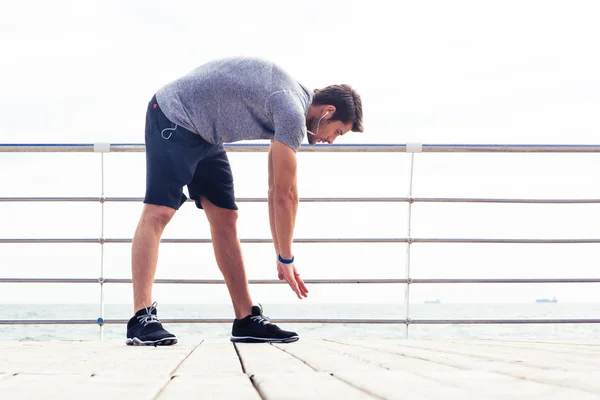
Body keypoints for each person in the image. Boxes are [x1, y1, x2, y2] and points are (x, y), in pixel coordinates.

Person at [125, 56, 364, 346]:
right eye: (337, 131)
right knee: (159, 212)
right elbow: (286, 196)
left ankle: (245, 318)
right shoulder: (291, 110)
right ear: (328, 111)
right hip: (173, 115)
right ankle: (141, 318)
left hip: (205, 133)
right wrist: (285, 258)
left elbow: (276, 188)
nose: (330, 140)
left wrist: (281, 254)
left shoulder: (293, 100)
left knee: (226, 216)